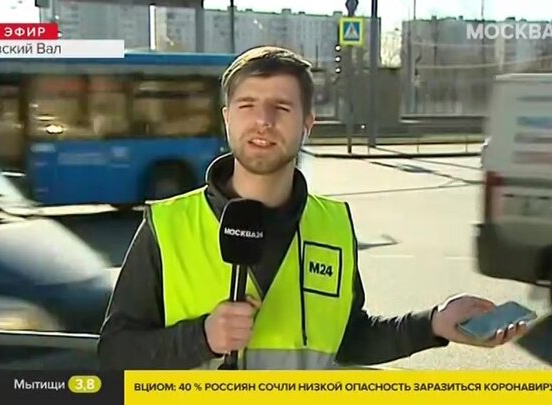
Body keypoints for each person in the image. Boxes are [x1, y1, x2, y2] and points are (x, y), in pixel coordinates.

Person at [98, 46, 527, 370]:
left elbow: (349, 339)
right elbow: (115, 352)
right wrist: (202, 338)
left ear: (307, 125)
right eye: (248, 105)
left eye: (281, 107)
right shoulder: (166, 225)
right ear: (227, 118)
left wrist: (432, 323)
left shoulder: (333, 225)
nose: (263, 120)